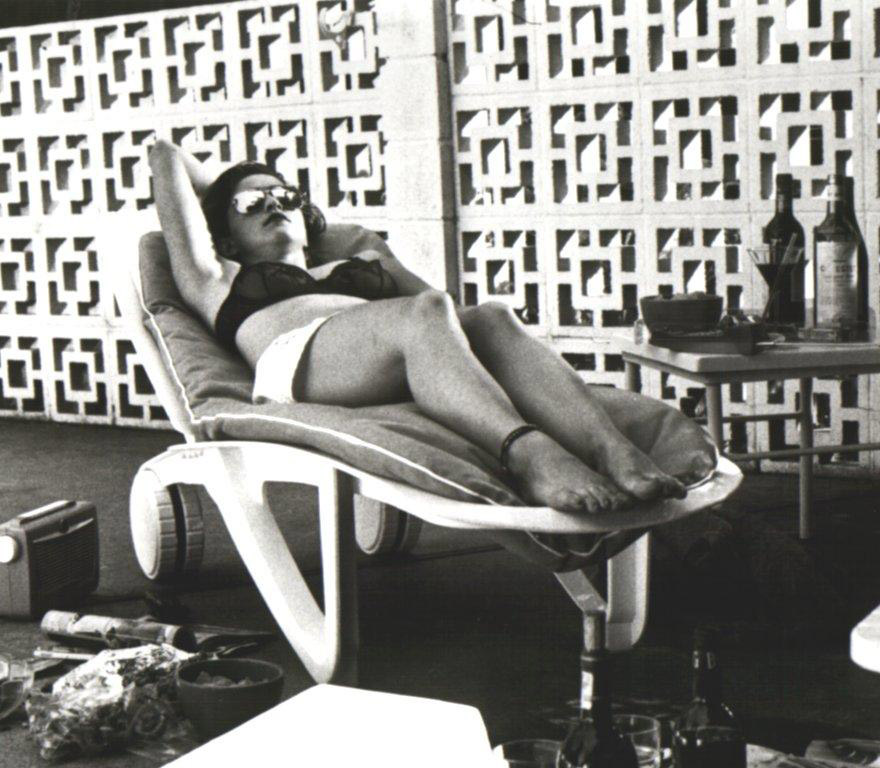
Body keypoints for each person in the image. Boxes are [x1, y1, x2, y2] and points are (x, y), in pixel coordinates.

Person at [149, 139, 715, 514]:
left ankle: (611, 449)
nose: (273, 202)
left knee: (488, 315)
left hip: (392, 350)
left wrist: (252, 193)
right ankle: (530, 455)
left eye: (285, 195)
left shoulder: (361, 261)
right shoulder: (217, 277)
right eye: (252, 202)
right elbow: (165, 156)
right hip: (300, 362)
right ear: (224, 236)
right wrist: (232, 181)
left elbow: (449, 316)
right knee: (423, 312)